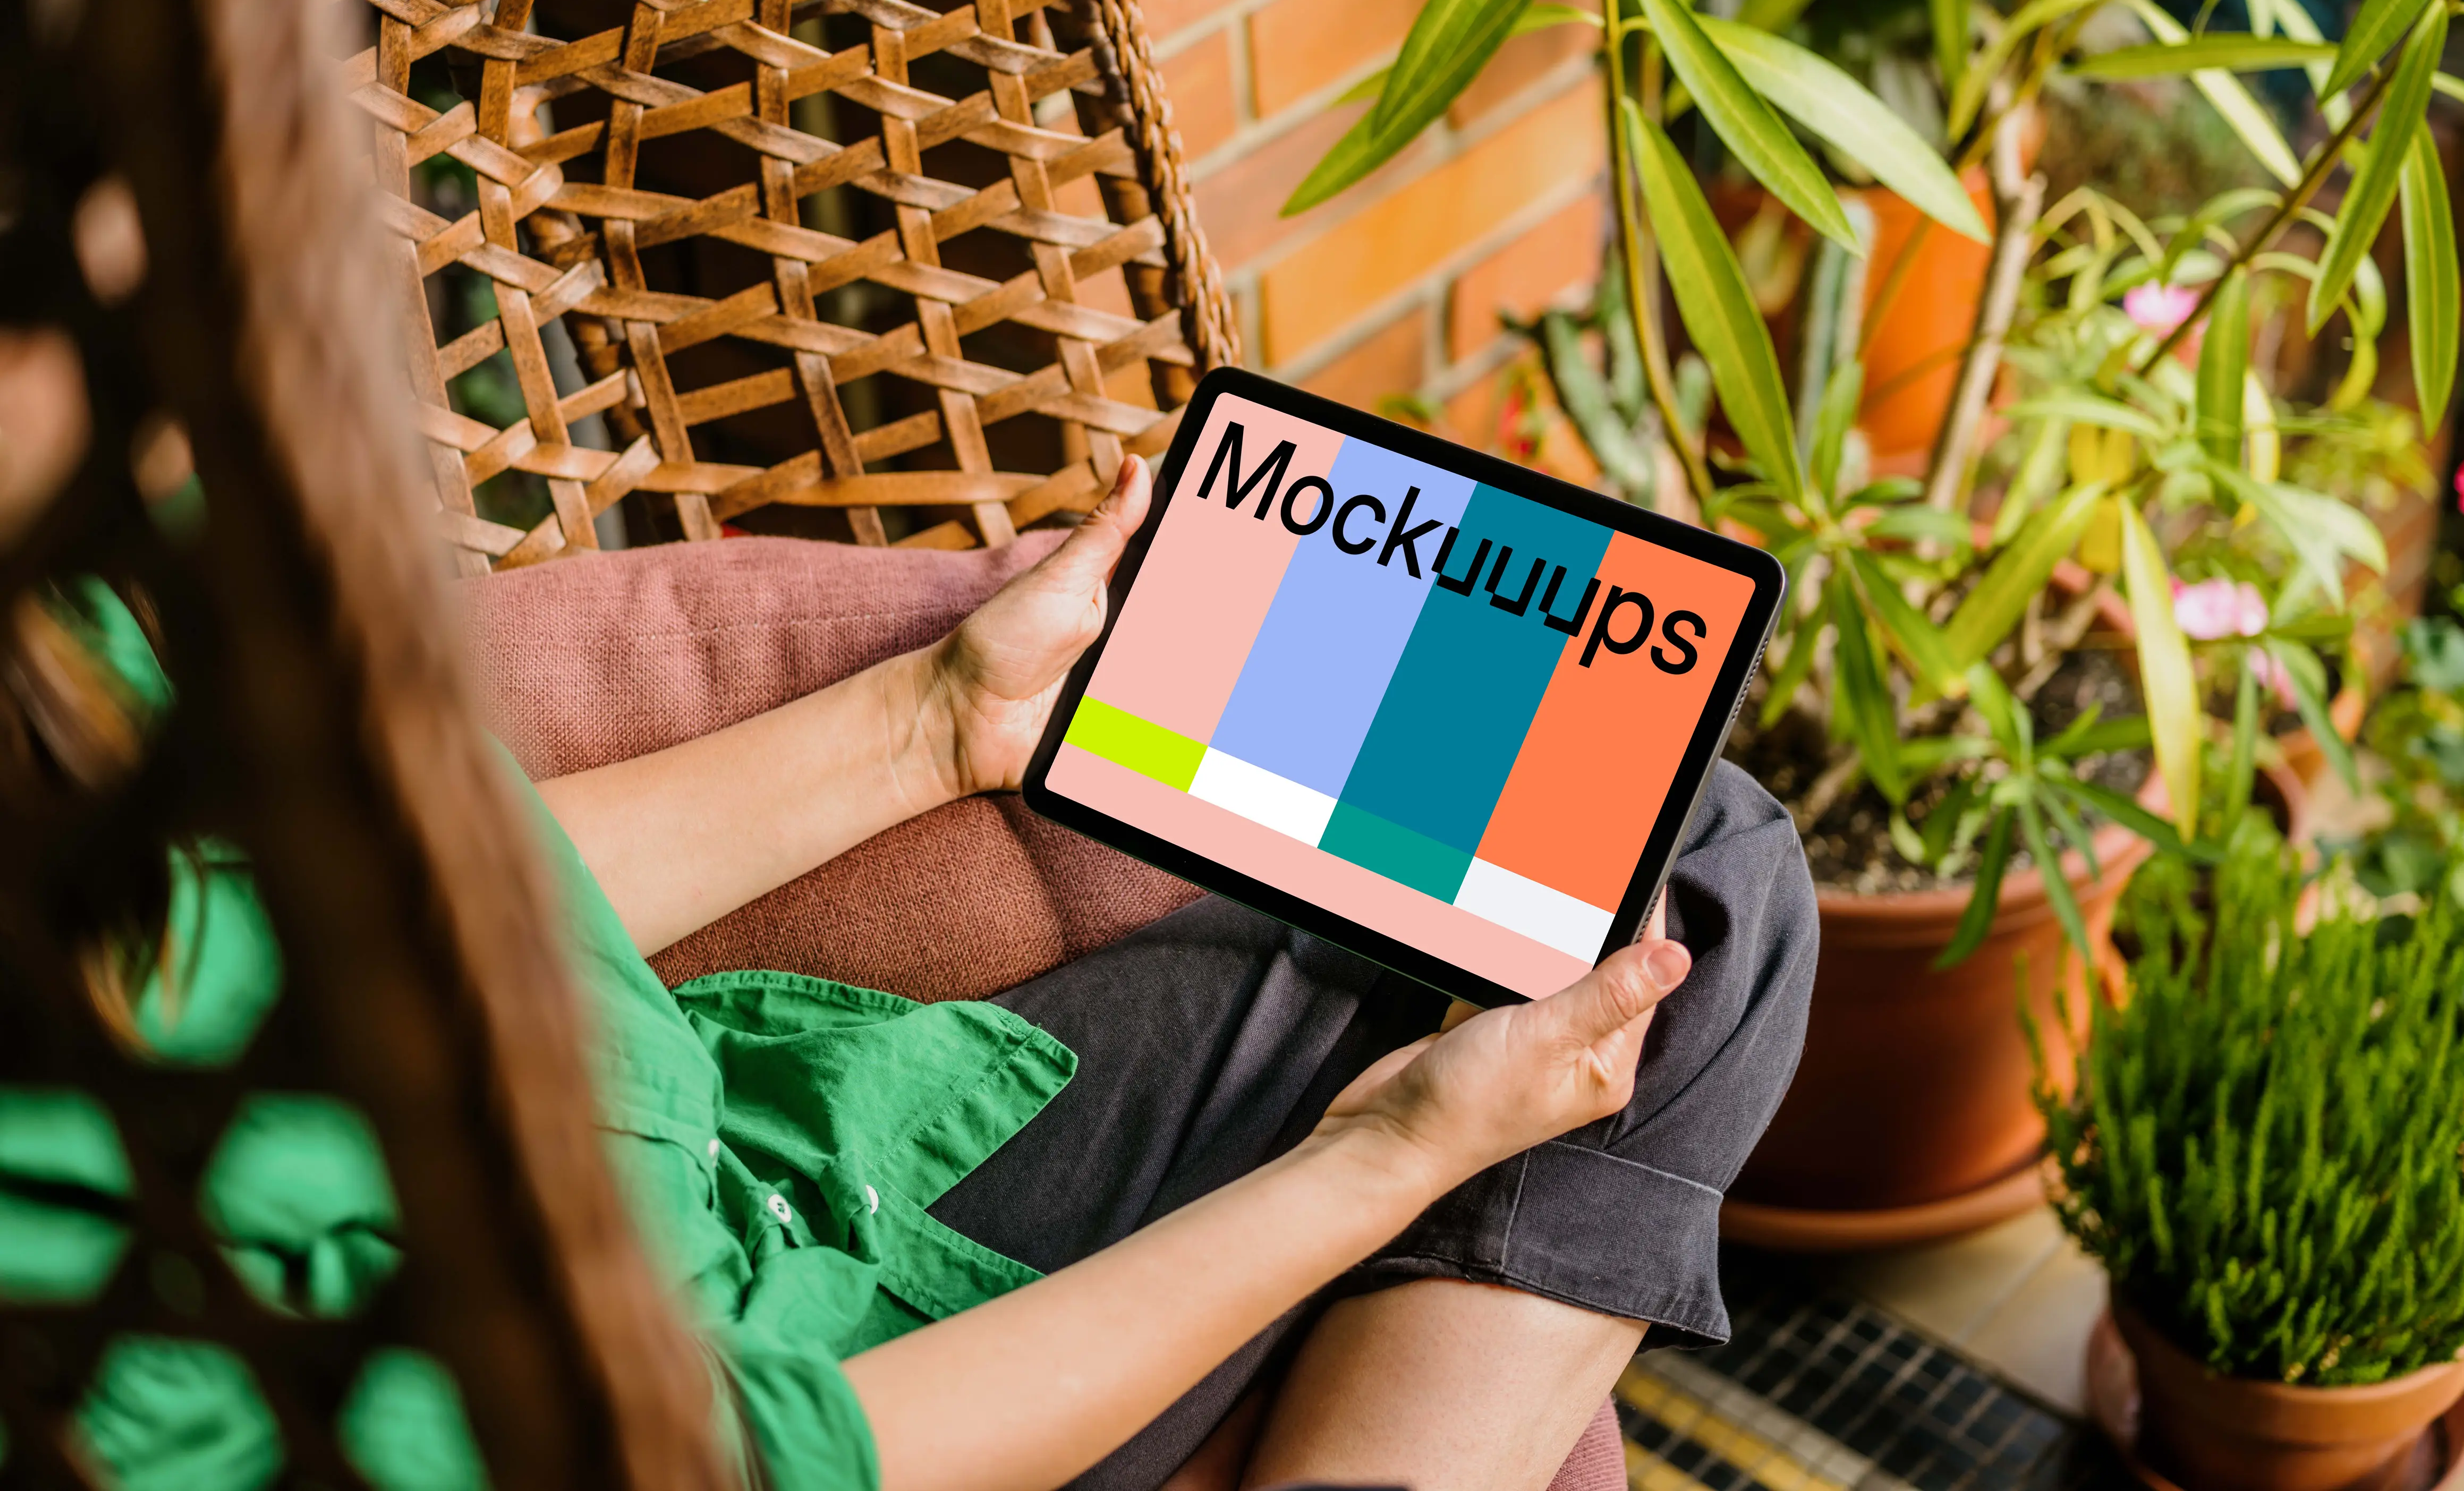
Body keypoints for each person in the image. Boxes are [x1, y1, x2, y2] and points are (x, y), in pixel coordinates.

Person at [8, 420, 1817, 1491]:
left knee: (1662, 846)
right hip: (858, 1391)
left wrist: (936, 723)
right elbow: (779, 1457)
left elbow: (383, 916)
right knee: (1697, 909)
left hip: (786, 1160)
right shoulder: (76, 1269)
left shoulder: (67, 636)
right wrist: (1388, 1157)